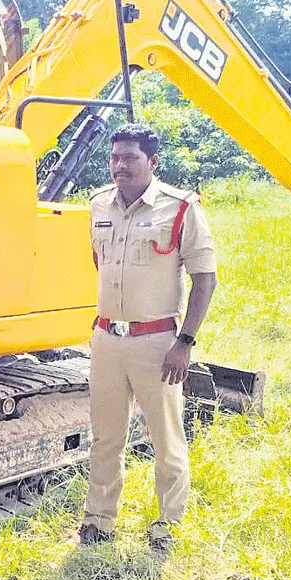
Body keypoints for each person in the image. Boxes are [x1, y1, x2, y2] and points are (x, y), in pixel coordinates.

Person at [73, 124, 218, 557]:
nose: (120, 166)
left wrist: (185, 341)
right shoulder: (98, 204)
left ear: (152, 162)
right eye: (115, 157)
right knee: (106, 437)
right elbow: (100, 262)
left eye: (130, 158)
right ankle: (98, 520)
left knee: (166, 437)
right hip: (107, 340)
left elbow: (205, 280)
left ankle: (167, 525)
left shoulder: (180, 209)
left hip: (158, 344)